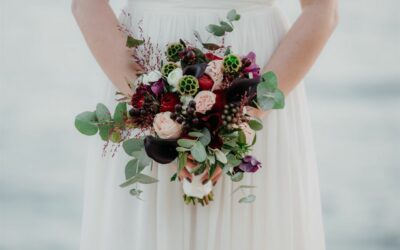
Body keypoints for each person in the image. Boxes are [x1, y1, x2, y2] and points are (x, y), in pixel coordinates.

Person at [72, 0, 338, 249]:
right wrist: (151, 105)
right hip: (142, 69)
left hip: (262, 76)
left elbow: (322, 9)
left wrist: (242, 118)